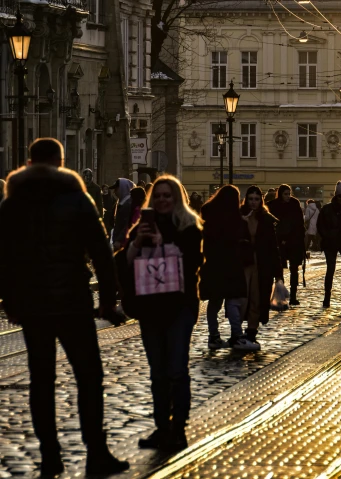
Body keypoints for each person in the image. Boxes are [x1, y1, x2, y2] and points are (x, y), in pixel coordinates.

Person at [0, 138, 128, 477]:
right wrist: (108, 300)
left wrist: (10, 301)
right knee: (89, 376)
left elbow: (4, 259)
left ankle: (50, 456)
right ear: (60, 161)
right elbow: (101, 252)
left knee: (41, 380)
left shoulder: (12, 202)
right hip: (72, 299)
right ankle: (96, 453)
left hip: (32, 304)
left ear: (29, 161)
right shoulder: (77, 198)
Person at [120, 175, 203, 453]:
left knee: (177, 369)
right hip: (150, 307)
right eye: (158, 196)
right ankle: (161, 427)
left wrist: (163, 243)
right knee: (158, 372)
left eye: (168, 195)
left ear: (177, 198)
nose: (163, 200)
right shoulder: (144, 225)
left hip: (180, 305)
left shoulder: (189, 226)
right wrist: (138, 242)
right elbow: (124, 262)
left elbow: (192, 263)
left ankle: (177, 428)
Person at [199, 185, 248, 349]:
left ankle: (213, 336)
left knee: (214, 302)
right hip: (231, 264)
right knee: (233, 301)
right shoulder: (236, 219)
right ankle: (237, 335)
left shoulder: (208, 215)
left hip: (212, 265)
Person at [237, 185, 283, 350]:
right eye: (250, 199)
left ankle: (251, 332)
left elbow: (273, 247)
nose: (253, 202)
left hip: (261, 264)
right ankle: (237, 331)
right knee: (241, 298)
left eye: (256, 199)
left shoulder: (266, 218)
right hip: (243, 263)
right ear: (246, 199)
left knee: (257, 298)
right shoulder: (239, 216)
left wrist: (278, 273)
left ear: (261, 200)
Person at [317, 181, 341, 309]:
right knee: (330, 270)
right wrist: (328, 235)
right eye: (339, 196)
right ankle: (326, 298)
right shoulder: (327, 209)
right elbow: (320, 225)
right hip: (331, 243)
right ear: (335, 196)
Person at [270, 184, 305, 306]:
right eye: (285, 194)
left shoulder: (295, 204)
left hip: (294, 242)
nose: (288, 196)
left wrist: (301, 241)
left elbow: (300, 223)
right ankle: (281, 296)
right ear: (280, 194)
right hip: (279, 242)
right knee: (279, 270)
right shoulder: (274, 205)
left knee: (294, 269)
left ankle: (293, 296)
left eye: (289, 193)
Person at [111, 177, 135, 250]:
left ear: (122, 188)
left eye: (116, 189)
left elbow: (127, 224)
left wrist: (119, 240)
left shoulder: (127, 204)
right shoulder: (122, 202)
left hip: (123, 243)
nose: (114, 192)